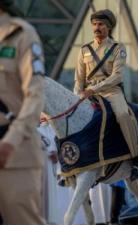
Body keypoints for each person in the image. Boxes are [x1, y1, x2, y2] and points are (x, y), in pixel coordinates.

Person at [73, 9, 138, 181]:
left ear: (109, 27)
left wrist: (94, 89)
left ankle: (136, 160)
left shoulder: (117, 48)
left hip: (111, 91)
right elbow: (79, 79)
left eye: (101, 24)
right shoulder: (84, 50)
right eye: (95, 24)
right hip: (88, 93)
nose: (97, 28)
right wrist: (76, 96)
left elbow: (117, 76)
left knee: (122, 115)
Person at [0, 0, 47, 224]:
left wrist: (11, 140)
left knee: (122, 114)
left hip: (15, 153)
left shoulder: (22, 34)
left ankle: (135, 157)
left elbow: (35, 94)